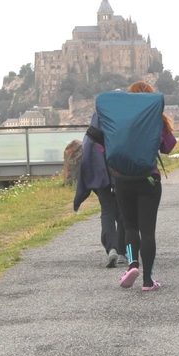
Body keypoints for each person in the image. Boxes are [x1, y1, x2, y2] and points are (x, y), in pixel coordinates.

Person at [111, 81, 177, 292]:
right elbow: (168, 146)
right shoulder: (156, 119)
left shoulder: (121, 119)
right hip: (148, 179)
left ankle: (132, 264)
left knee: (130, 228)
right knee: (148, 231)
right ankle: (148, 280)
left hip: (122, 179)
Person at [73, 112, 125, 268]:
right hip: (118, 175)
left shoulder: (91, 134)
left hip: (99, 178)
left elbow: (86, 161)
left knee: (107, 211)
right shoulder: (118, 128)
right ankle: (123, 251)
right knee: (123, 212)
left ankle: (112, 248)